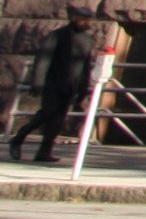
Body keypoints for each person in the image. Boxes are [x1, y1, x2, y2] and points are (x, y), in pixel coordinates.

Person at [10, 12, 91, 165]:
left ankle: (44, 152)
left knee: (58, 121)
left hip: (70, 86)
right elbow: (43, 59)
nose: (86, 23)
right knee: (47, 113)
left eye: (87, 20)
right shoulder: (57, 36)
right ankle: (18, 138)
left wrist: (84, 87)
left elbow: (85, 66)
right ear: (74, 19)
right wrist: (37, 82)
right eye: (83, 19)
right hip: (52, 84)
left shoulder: (86, 40)